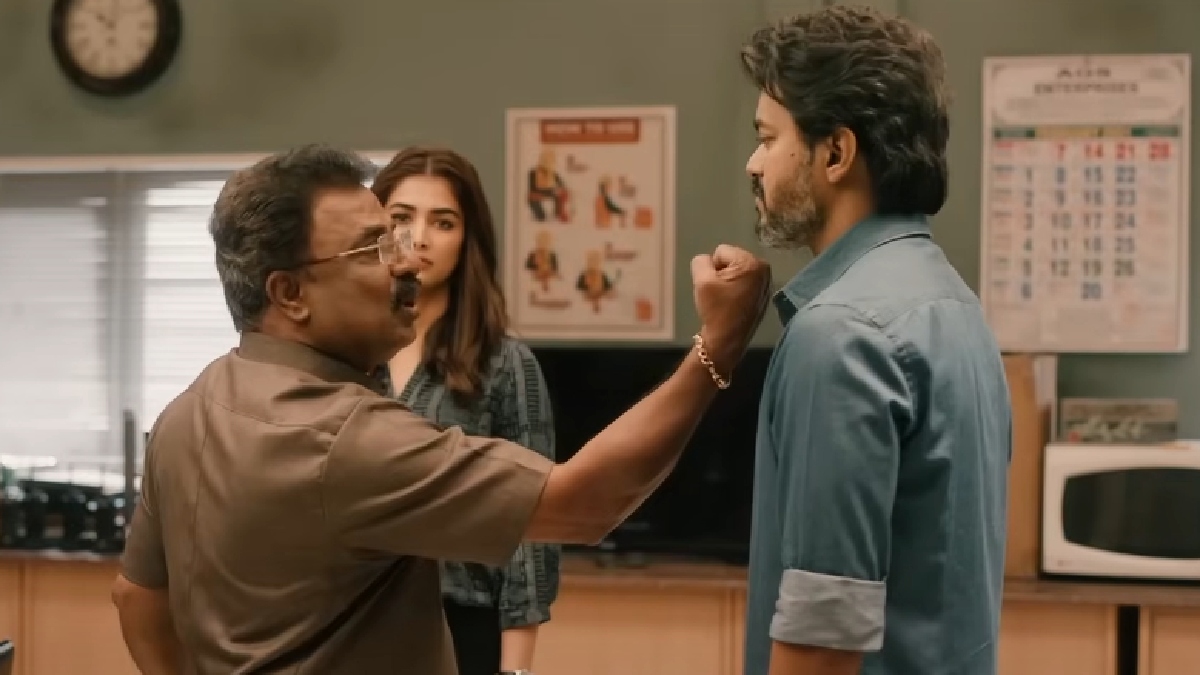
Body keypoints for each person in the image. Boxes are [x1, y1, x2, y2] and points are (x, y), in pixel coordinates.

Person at [109, 144, 771, 675]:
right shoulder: (348, 436)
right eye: (376, 246)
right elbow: (585, 503)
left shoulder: (187, 411)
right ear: (289, 294)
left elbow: (136, 596)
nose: (406, 263)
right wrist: (718, 345)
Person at [738, 7, 1011, 675]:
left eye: (768, 139)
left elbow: (821, 640)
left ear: (836, 152)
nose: (753, 162)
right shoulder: (954, 305)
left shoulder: (840, 334)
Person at [369, 146, 559, 675]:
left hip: (461, 628)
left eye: (443, 222)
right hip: (349, 625)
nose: (419, 237)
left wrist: (515, 671)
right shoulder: (346, 357)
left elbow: (531, 529)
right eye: (401, 218)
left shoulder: (505, 364)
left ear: (467, 239)